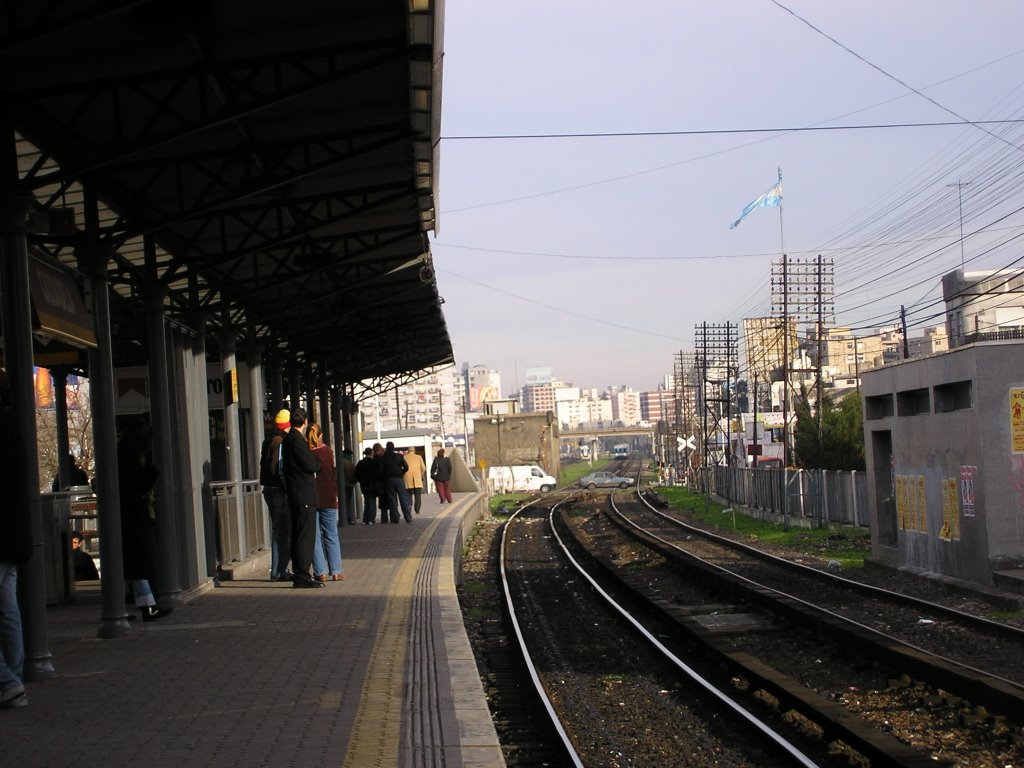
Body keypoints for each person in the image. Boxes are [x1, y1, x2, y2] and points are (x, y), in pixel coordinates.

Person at [117, 419, 172, 621]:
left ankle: (125, 605)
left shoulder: (124, 457)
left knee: (134, 565)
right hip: (135, 518)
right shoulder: (130, 461)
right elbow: (137, 488)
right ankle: (147, 606)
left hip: (132, 517)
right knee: (140, 564)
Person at [0, 369, 31, 708]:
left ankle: (8, 680)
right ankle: (15, 679)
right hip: (13, 536)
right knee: (8, 611)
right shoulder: (13, 425)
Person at [281, 408, 323, 589]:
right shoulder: (297, 441)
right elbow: (309, 464)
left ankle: (300, 573)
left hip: (296, 495)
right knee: (305, 537)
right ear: (305, 422)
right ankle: (302, 575)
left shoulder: (288, 439)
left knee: (299, 534)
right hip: (303, 494)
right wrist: (317, 463)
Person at [307, 423, 344, 582]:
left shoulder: (306, 453)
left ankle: (320, 572)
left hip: (312, 498)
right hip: (329, 497)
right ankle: (336, 571)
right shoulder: (328, 452)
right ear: (321, 435)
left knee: (314, 536)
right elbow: (332, 474)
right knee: (331, 535)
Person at [259, 410, 293, 581]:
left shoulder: (268, 441)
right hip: (278, 490)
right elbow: (279, 469)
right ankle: (279, 571)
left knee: (279, 530)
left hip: (268, 489)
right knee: (282, 531)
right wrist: (288, 488)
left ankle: (279, 570)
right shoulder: (281, 443)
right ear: (287, 426)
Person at [382, 441, 411, 523]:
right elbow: (406, 467)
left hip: (389, 480)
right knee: (403, 498)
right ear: (393, 447)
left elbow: (381, 470)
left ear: (387, 448)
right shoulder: (399, 456)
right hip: (399, 479)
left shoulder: (384, 457)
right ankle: (408, 517)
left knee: (392, 499)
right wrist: (402, 472)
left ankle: (395, 518)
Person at [354, 447, 379, 525]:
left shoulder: (361, 463)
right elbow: (378, 473)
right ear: (371, 453)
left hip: (364, 485)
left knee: (366, 501)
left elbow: (356, 474)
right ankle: (371, 519)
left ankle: (365, 519)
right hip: (373, 484)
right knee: (372, 501)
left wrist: (361, 481)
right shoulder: (374, 462)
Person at [372, 443, 393, 523]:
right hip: (387, 482)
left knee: (383, 503)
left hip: (381, 483)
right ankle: (392, 518)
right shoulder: (385, 458)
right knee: (390, 501)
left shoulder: (375, 459)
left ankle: (384, 520)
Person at [403, 447, 426, 515]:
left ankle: (409, 507)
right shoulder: (419, 457)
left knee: (408, 495)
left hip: (407, 478)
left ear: (408, 451)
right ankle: (417, 510)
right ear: (414, 451)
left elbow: (402, 467)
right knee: (417, 496)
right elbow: (423, 468)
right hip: (417, 478)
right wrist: (421, 474)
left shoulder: (404, 457)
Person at [341, 449, 357, 525]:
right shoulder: (348, 463)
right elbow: (351, 474)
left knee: (345, 502)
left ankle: (346, 518)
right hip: (348, 484)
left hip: (343, 484)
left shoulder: (341, 462)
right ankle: (348, 518)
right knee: (347, 502)